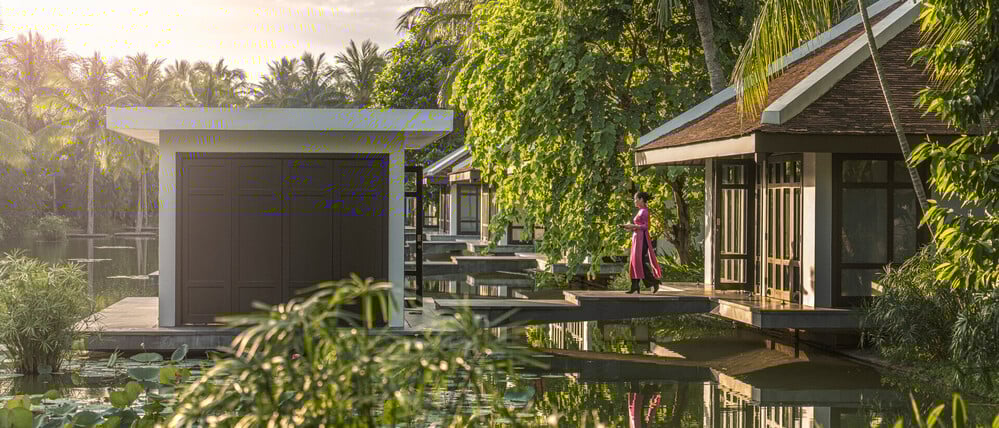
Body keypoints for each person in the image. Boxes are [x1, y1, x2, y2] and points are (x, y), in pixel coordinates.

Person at [619, 191, 662, 294]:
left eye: (636, 199)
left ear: (642, 199)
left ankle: (653, 281)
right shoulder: (640, 211)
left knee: (639, 261)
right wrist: (629, 228)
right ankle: (635, 285)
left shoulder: (645, 211)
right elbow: (639, 227)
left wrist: (633, 226)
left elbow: (646, 227)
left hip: (642, 239)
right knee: (634, 261)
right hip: (637, 238)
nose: (634, 201)